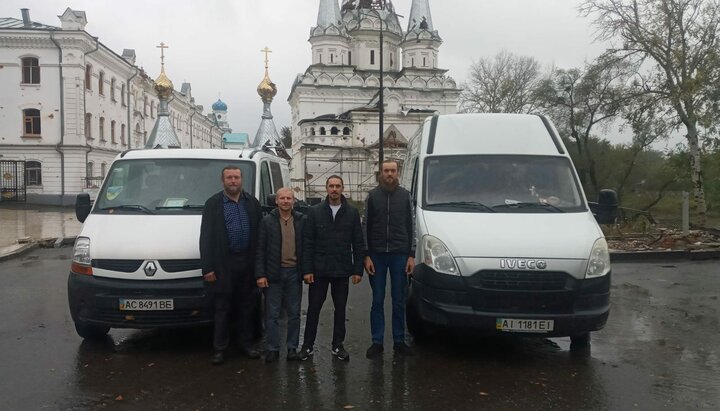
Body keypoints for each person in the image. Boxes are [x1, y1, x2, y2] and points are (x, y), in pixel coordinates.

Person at [200, 166, 263, 365]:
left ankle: (246, 344)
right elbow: (206, 238)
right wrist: (207, 268)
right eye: (229, 177)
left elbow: (260, 236)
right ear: (223, 180)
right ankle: (220, 349)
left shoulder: (252, 203)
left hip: (247, 262)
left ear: (241, 179)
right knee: (222, 308)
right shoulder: (213, 204)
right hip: (223, 264)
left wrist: (259, 267)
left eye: (236, 177)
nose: (233, 181)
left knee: (246, 307)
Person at [299, 175, 365, 362]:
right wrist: (307, 270)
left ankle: (338, 345)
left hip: (342, 269)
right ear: (326, 189)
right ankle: (307, 346)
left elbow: (358, 243)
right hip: (319, 270)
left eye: (337, 186)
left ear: (343, 188)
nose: (334, 189)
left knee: (340, 308)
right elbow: (308, 242)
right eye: (331, 186)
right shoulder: (314, 212)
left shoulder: (351, 213)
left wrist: (357, 270)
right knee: (314, 308)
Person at [363, 160, 416, 358]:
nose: (389, 174)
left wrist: (411, 255)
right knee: (377, 300)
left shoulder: (405, 196)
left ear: (398, 173)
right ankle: (377, 341)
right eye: (386, 171)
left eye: (393, 171)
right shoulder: (372, 196)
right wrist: (366, 255)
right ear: (381, 173)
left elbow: (411, 226)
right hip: (376, 254)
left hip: (399, 254)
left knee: (398, 300)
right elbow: (366, 226)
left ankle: (399, 340)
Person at [255, 187, 306, 363]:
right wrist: (260, 275)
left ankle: (292, 348)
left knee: (294, 313)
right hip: (273, 273)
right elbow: (260, 249)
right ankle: (272, 348)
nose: (285, 201)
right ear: (276, 201)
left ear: (294, 201)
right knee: (272, 314)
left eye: (289, 198)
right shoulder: (267, 222)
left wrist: (307, 271)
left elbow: (307, 248)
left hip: (295, 273)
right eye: (282, 198)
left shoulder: (301, 221)